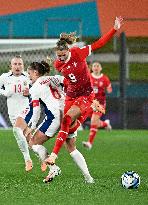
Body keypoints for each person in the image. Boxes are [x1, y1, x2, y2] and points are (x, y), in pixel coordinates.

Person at [45, 17, 123, 167]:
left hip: (86, 95)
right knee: (69, 128)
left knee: (67, 120)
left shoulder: (78, 52)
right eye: (58, 56)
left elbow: (99, 44)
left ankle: (53, 156)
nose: (61, 58)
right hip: (71, 95)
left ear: (68, 51)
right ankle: (86, 122)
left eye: (63, 55)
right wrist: (63, 85)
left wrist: (114, 29)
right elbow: (68, 79)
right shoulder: (57, 64)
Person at [24, 61, 94, 183]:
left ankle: (53, 168)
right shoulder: (53, 78)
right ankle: (89, 178)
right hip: (69, 112)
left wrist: (32, 126)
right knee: (72, 147)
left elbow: (36, 111)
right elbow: (67, 82)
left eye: (29, 73)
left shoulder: (34, 88)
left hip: (55, 116)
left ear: (35, 72)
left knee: (33, 143)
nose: (28, 76)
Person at [0, 55, 32, 171]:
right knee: (28, 139)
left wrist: (30, 93)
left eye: (20, 64)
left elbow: (37, 90)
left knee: (17, 131)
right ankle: (46, 159)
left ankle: (27, 160)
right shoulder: (4, 77)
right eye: (15, 64)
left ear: (23, 66)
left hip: (26, 110)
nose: (17, 66)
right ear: (11, 66)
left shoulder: (28, 76)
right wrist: (5, 92)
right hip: (12, 111)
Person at [82, 62, 112, 150]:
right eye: (94, 66)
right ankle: (106, 123)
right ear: (92, 68)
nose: (96, 67)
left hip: (100, 104)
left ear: (101, 68)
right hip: (90, 103)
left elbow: (109, 89)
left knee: (93, 121)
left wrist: (107, 89)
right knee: (94, 122)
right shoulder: (88, 77)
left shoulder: (104, 78)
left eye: (98, 66)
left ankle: (89, 143)